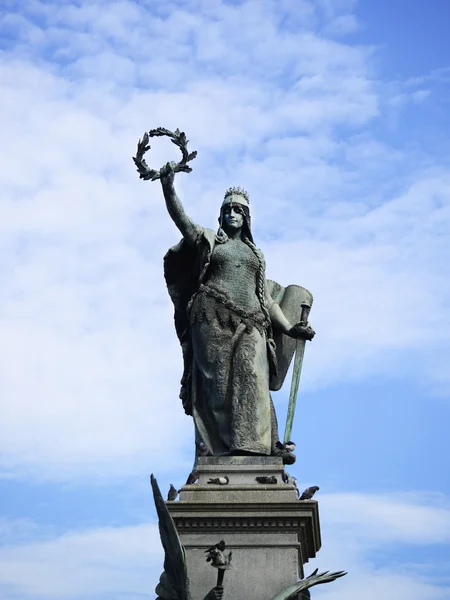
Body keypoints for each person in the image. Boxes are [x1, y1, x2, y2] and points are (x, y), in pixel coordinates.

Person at [160, 163, 314, 464]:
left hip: (252, 322)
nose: (232, 214)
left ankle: (255, 446)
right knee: (218, 387)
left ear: (247, 218)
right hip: (212, 319)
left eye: (238, 210)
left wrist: (289, 328)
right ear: (221, 215)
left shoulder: (256, 254)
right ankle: (219, 450)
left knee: (253, 376)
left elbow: (266, 299)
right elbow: (182, 220)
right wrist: (168, 187)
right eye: (228, 209)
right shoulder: (208, 240)